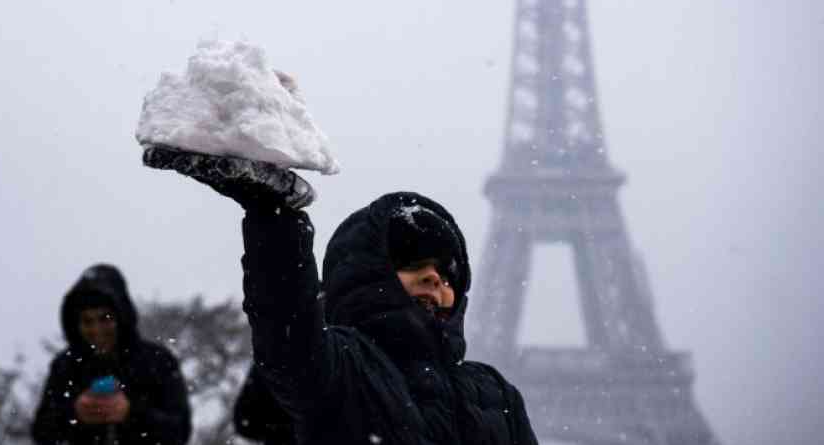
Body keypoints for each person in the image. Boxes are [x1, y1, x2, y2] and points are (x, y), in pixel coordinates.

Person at [145, 148, 538, 444]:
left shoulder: (497, 393)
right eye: (412, 262)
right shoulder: (342, 366)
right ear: (369, 274)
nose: (434, 277)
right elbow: (288, 335)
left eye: (447, 272)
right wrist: (274, 215)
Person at [31, 264, 191, 445]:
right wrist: (75, 413)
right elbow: (42, 432)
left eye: (105, 318)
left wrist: (131, 414)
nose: (96, 330)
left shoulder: (157, 361)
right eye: (87, 321)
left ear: (121, 317)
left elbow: (179, 431)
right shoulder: (65, 367)